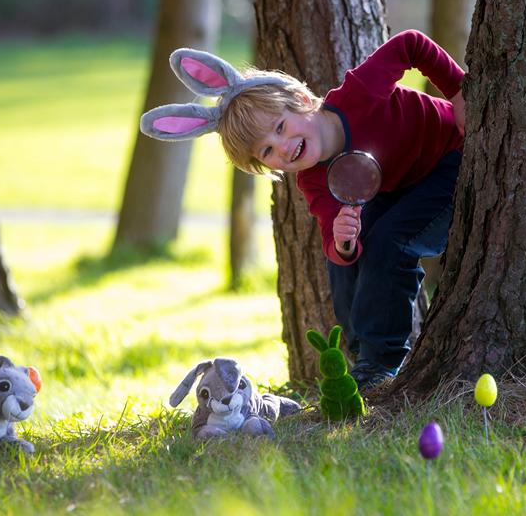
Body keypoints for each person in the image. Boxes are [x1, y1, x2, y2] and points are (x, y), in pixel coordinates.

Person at [141, 29, 466, 390]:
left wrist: (457, 91)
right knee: (350, 257)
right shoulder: (313, 180)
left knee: (394, 241)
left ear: (300, 99)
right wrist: (344, 242)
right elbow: (333, 239)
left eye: (280, 127)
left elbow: (410, 45)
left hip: (450, 159)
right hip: (401, 186)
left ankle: (382, 362)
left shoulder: (359, 93)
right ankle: (364, 355)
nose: (281, 147)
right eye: (266, 151)